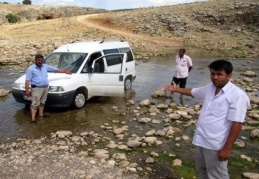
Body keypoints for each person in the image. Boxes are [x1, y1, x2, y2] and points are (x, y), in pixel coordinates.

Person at [164, 59, 250, 179]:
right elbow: (192, 92)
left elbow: (237, 123)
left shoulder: (237, 95)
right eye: (213, 74)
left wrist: (227, 148)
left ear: (229, 76)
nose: (215, 77)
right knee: (201, 171)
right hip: (201, 141)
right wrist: (176, 89)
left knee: (217, 175)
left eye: (219, 74)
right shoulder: (210, 88)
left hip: (216, 145)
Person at [25, 54, 72, 124]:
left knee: (42, 102)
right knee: (35, 104)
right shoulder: (30, 69)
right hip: (36, 88)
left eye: (41, 60)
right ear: (35, 60)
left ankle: (41, 115)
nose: (40, 62)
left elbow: (55, 69)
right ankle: (33, 119)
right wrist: (27, 90)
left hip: (45, 87)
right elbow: (27, 81)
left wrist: (65, 71)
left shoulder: (45, 66)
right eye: (38, 60)